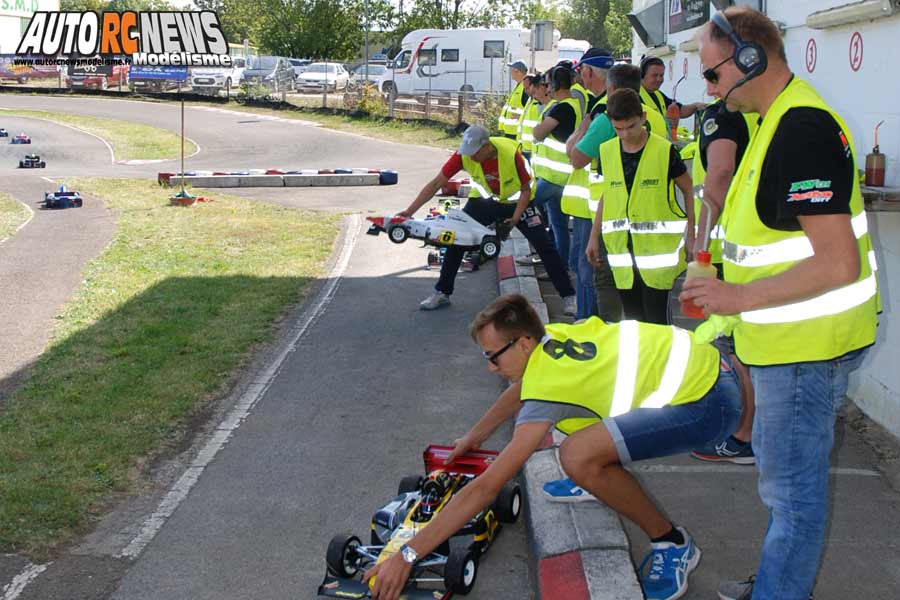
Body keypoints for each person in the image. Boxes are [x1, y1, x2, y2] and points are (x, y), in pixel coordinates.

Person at [679, 8, 879, 600]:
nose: (707, 90)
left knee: (793, 500)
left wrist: (736, 295)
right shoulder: (773, 120)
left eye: (711, 76)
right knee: (784, 490)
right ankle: (778, 578)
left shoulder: (801, 128)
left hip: (804, 352)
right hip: (787, 347)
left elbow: (838, 262)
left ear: (749, 61)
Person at [363, 293, 742, 600]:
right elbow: (520, 391)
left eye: (493, 357)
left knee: (576, 456)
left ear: (523, 342)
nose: (490, 367)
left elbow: (486, 487)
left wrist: (409, 554)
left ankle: (673, 543)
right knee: (582, 434)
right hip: (711, 365)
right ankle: (599, 475)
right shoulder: (553, 336)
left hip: (707, 405)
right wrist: (475, 436)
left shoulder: (548, 390)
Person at [400, 125, 576, 313]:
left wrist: (515, 219)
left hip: (519, 204)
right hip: (485, 202)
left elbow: (526, 190)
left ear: (486, 146)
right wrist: (409, 211)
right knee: (457, 240)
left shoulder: (511, 154)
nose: (471, 157)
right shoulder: (463, 155)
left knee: (544, 246)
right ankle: (442, 292)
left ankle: (568, 297)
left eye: (475, 152)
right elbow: (436, 183)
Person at [687, 98, 759, 465]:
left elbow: (719, 172)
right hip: (743, 249)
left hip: (731, 251)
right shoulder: (760, 115)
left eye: (713, 73)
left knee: (741, 349)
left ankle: (745, 435)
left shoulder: (725, 116)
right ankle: (748, 431)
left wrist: (701, 239)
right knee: (743, 346)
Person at [586, 89, 694, 325]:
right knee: (633, 323)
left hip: (657, 256)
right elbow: (608, 195)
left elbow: (688, 189)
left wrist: (692, 232)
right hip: (621, 253)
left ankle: (661, 362)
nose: (625, 134)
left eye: (631, 127)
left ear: (643, 117)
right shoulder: (607, 151)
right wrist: (594, 237)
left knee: (657, 326)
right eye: (618, 129)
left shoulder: (664, 151)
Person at [558, 48, 616, 321]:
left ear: (589, 71)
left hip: (594, 205)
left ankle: (587, 326)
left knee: (588, 269)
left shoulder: (602, 110)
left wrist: (581, 129)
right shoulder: (608, 105)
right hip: (598, 202)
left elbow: (575, 155)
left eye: (580, 71)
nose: (578, 76)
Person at [532, 63, 582, 278]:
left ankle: (552, 261)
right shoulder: (573, 104)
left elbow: (538, 133)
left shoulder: (562, 107)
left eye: (547, 83)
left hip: (555, 178)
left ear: (554, 84)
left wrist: (542, 116)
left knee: (522, 207)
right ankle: (560, 268)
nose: (545, 88)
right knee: (559, 226)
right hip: (560, 176)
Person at [640, 56, 705, 135]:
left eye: (661, 75)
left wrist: (695, 106)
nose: (659, 79)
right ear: (642, 75)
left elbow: (680, 110)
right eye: (654, 75)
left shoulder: (658, 94)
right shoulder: (635, 97)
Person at [498, 60, 529, 139]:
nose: (510, 72)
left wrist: (521, 116)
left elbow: (530, 109)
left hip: (516, 132)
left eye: (512, 70)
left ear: (517, 71)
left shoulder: (525, 88)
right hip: (510, 131)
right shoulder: (518, 86)